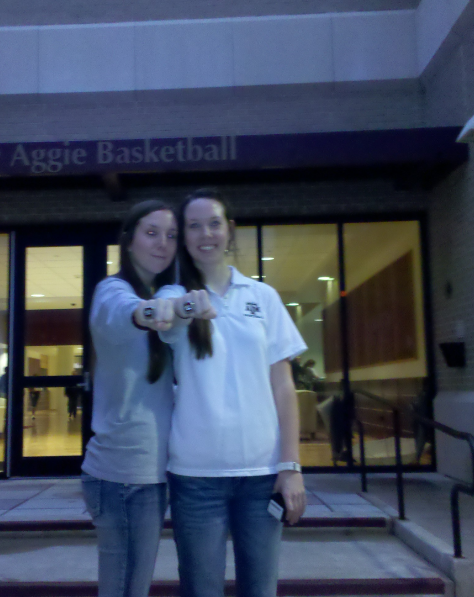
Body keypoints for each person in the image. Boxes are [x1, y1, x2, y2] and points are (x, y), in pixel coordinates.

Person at [156, 188, 308, 597]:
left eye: (214, 223)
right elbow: (164, 319)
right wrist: (190, 308)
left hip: (261, 475)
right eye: (193, 226)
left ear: (230, 230)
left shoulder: (263, 297)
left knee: (260, 589)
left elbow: (283, 386)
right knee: (200, 589)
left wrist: (290, 465)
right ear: (184, 237)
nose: (205, 233)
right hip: (195, 477)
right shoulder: (173, 294)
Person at [81, 199, 181, 597]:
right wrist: (149, 312)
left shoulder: (170, 290)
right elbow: (124, 312)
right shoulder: (111, 290)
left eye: (171, 236)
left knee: (134, 587)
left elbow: (172, 303)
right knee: (124, 589)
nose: (162, 244)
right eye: (152, 233)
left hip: (152, 475)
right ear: (129, 241)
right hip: (121, 475)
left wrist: (172, 304)